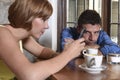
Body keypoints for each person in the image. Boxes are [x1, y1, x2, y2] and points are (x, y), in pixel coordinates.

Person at [0, 0, 85, 80]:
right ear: (27, 16)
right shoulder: (2, 33)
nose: (47, 26)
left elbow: (42, 51)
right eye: (43, 20)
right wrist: (68, 54)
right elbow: (29, 75)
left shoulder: (23, 36)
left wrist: (62, 54)